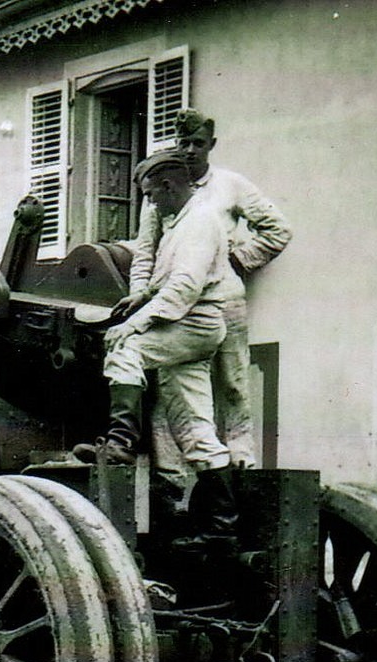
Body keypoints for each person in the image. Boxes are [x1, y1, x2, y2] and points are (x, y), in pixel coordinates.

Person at [74, 149, 238, 551]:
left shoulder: (199, 221)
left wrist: (134, 323)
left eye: (151, 194)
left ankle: (120, 446)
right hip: (192, 328)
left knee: (125, 349)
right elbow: (170, 278)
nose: (150, 202)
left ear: (168, 186)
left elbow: (184, 288)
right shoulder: (180, 221)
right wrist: (143, 294)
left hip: (193, 323)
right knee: (196, 430)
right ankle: (222, 527)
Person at [140, 108, 291, 483]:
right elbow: (145, 252)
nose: (190, 151)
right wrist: (142, 301)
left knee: (234, 382)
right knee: (170, 389)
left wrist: (236, 261)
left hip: (225, 302)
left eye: (198, 144)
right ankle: (172, 475)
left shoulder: (231, 185)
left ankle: (241, 462)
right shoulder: (159, 191)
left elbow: (278, 229)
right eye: (184, 143)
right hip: (178, 306)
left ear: (212, 146)